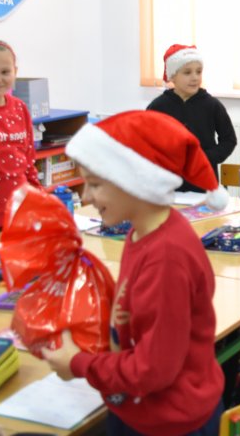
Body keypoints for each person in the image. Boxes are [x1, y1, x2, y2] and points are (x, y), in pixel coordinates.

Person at [43, 110, 227, 436]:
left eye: (95, 184)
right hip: (142, 407)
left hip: (168, 422)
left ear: (135, 182)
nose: (85, 197)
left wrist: (77, 363)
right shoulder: (141, 232)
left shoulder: (166, 257)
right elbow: (137, 314)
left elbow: (153, 370)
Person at [147, 44, 237, 193]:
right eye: (187, 72)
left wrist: (205, 158)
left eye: (198, 71)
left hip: (204, 185)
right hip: (168, 186)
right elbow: (146, 143)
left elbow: (229, 140)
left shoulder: (212, 105)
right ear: (173, 76)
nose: (195, 77)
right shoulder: (158, 106)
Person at [0, 36, 41, 232]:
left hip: (22, 212)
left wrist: (40, 200)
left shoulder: (19, 108)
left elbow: (28, 162)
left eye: (5, 72)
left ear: (15, 72)